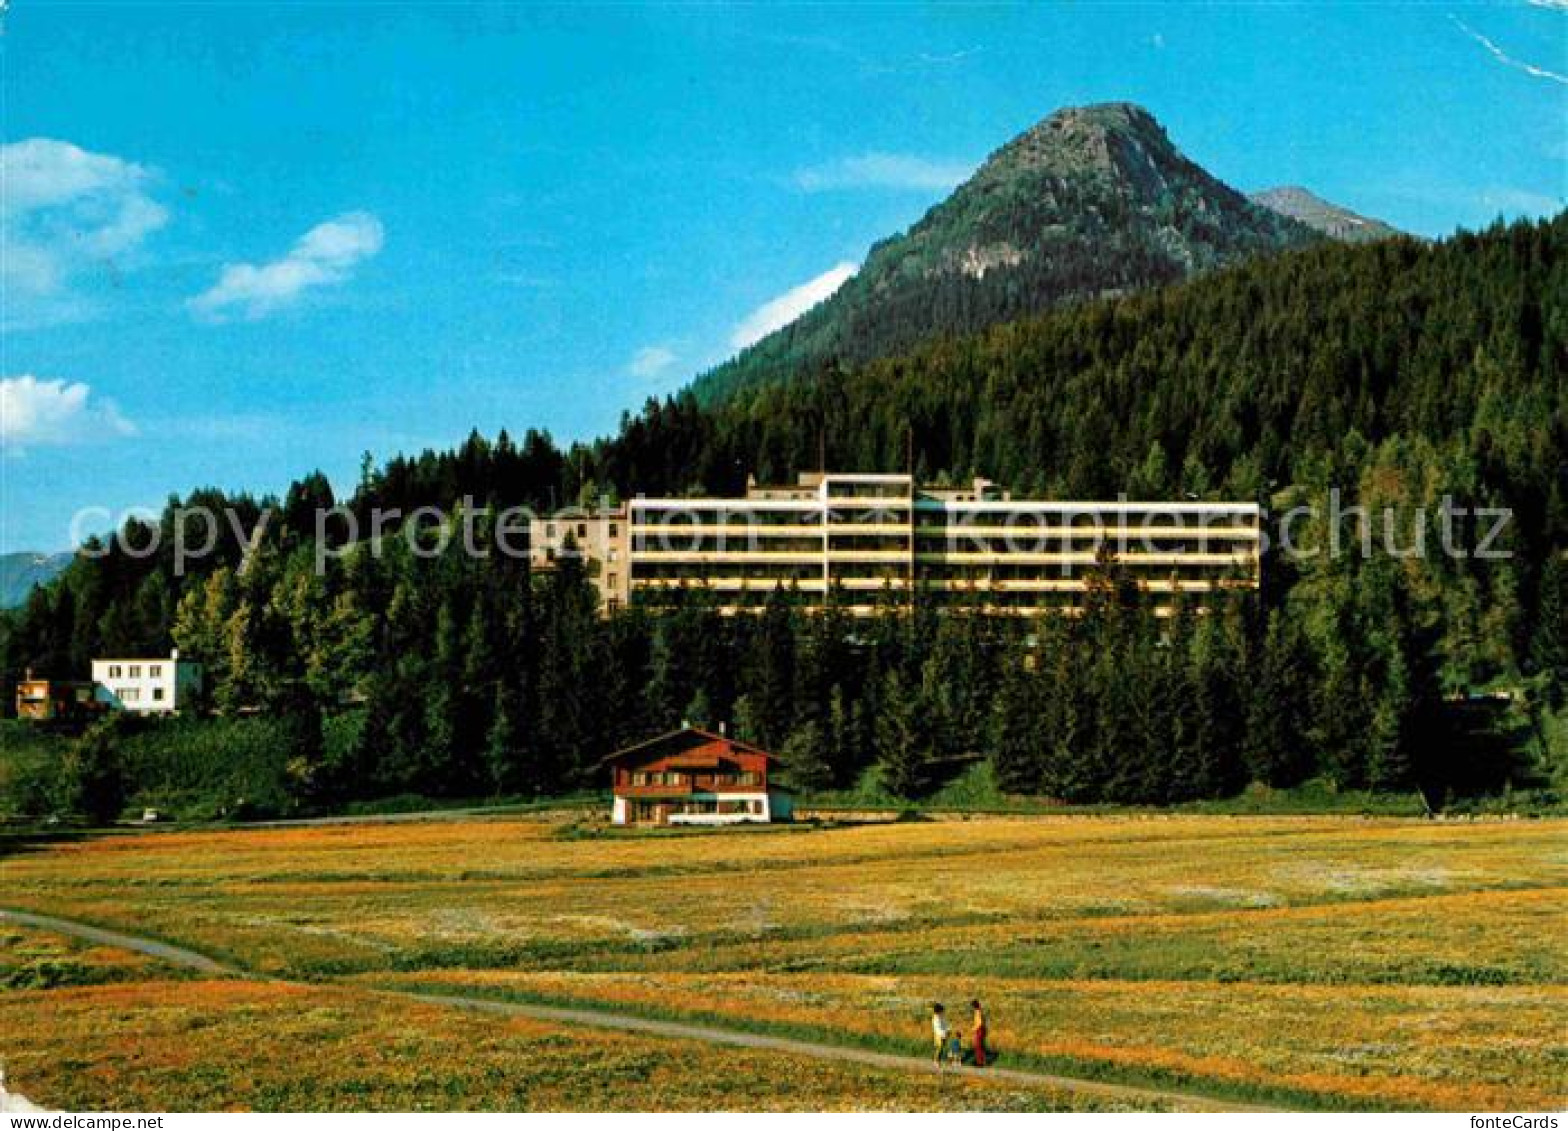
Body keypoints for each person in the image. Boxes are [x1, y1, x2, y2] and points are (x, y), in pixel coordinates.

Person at [970, 999, 988, 1067]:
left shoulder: (978, 1012)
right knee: (981, 1046)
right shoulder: (980, 1011)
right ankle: (982, 1061)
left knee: (978, 1046)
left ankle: (979, 1062)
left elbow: (979, 1023)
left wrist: (974, 1029)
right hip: (982, 1029)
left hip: (979, 1030)